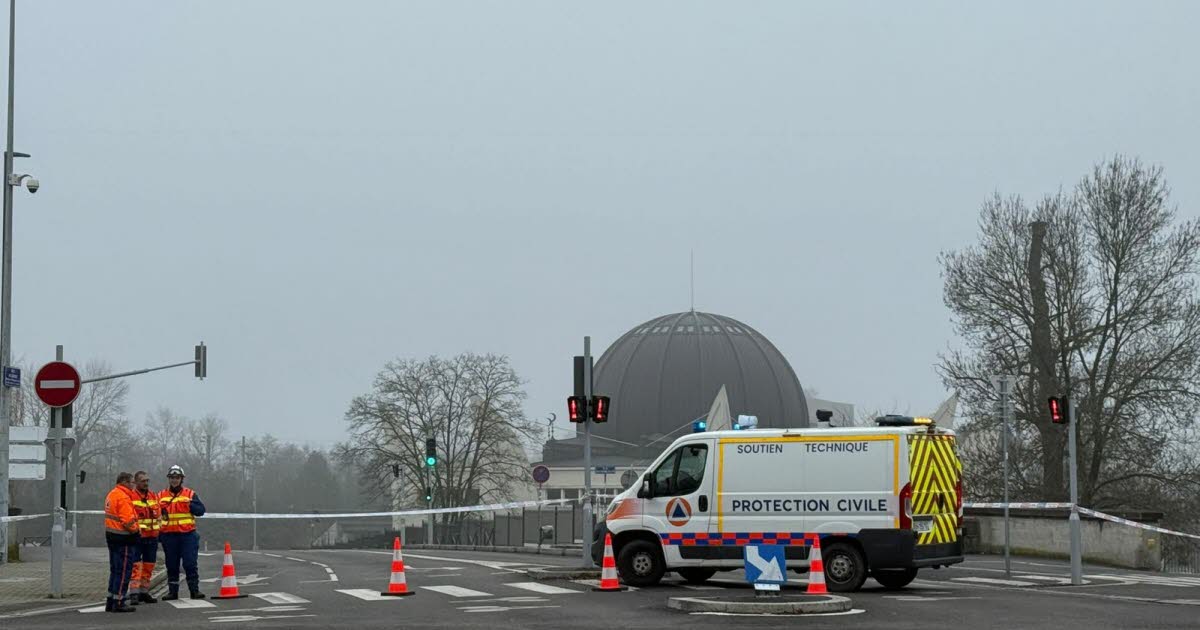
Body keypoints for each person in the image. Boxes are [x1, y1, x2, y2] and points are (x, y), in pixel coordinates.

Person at [158, 465, 207, 600]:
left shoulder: (190, 494)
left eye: (177, 478)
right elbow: (155, 515)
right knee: (172, 565)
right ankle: (172, 592)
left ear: (181, 479)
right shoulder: (160, 496)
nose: (174, 480)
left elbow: (201, 511)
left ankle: (194, 590)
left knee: (190, 564)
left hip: (187, 535)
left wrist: (189, 505)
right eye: (172, 477)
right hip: (169, 536)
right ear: (169, 479)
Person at [103, 472, 139, 613]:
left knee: (115, 570)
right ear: (124, 482)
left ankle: (110, 600)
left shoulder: (112, 494)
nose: (133, 485)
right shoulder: (123, 497)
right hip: (124, 538)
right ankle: (119, 601)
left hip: (112, 536)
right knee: (124, 571)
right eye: (132, 482)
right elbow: (128, 521)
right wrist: (136, 531)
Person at [128, 470, 160, 604]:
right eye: (143, 481)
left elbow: (158, 515)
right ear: (136, 482)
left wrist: (158, 531)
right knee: (135, 566)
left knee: (149, 565)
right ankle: (134, 593)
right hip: (137, 537)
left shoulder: (153, 496)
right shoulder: (131, 496)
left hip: (152, 537)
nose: (146, 483)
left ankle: (144, 591)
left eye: (147, 481)